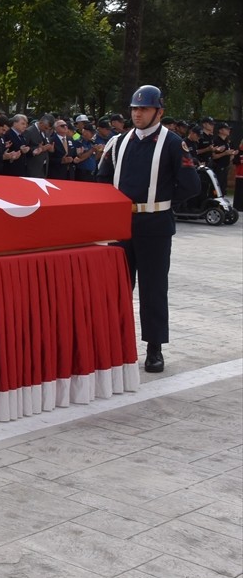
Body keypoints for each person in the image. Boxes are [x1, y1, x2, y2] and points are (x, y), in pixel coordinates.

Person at [98, 85, 200, 373]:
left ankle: (154, 349)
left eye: (143, 109)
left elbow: (191, 185)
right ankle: (114, 344)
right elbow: (102, 179)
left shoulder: (172, 143)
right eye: (134, 109)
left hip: (155, 224)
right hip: (120, 225)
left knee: (153, 289)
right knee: (116, 288)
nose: (137, 113)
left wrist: (163, 202)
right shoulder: (118, 142)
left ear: (159, 111)